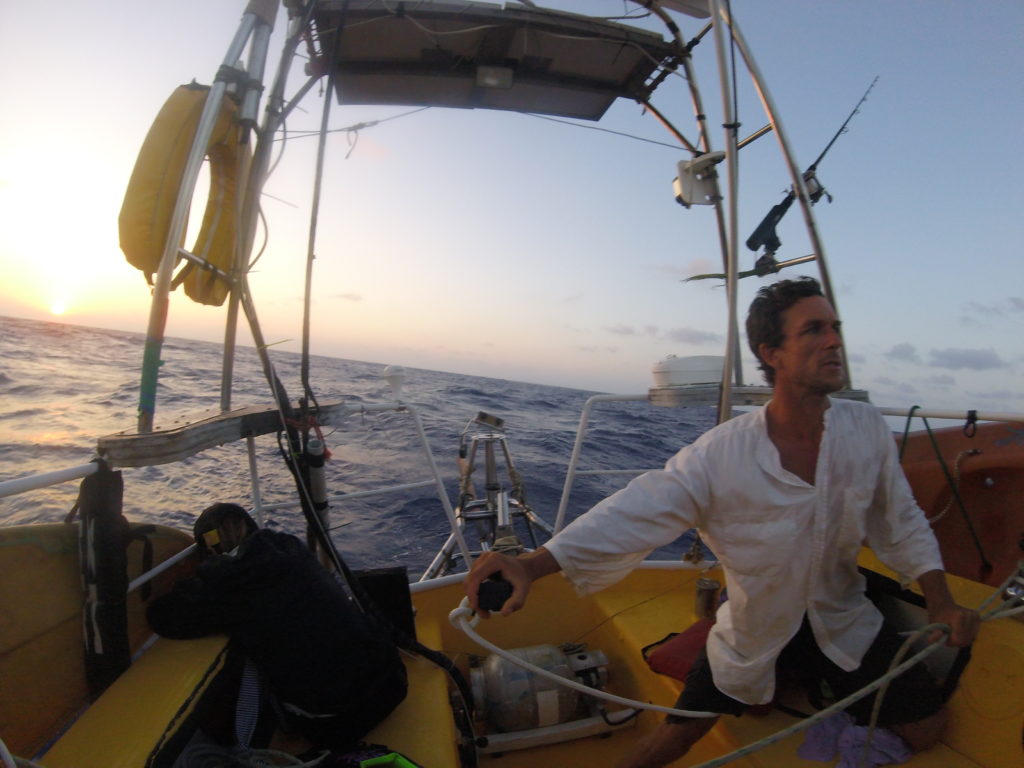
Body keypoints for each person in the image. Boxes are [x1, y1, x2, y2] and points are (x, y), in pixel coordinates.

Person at [466, 277, 980, 768]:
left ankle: (807, 674)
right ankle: (779, 667)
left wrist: (940, 601)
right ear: (773, 354)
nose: (834, 341)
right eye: (814, 330)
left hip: (842, 614)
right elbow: (636, 509)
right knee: (677, 736)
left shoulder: (866, 429)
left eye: (835, 327)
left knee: (927, 730)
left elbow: (901, 519)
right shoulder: (721, 455)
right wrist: (531, 565)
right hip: (758, 622)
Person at [147, 502, 407, 752]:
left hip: (338, 723)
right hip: (392, 683)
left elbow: (162, 617)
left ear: (209, 549)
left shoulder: (228, 587)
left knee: (244, 661)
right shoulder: (290, 548)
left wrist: (196, 578)